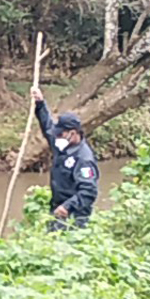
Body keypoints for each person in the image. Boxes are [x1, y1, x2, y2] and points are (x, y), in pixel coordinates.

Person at [31, 86, 99, 230]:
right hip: (57, 209)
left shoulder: (84, 159)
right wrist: (40, 103)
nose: (57, 137)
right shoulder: (62, 145)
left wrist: (67, 207)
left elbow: (88, 191)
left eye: (61, 134)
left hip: (74, 214)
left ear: (73, 133)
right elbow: (48, 127)